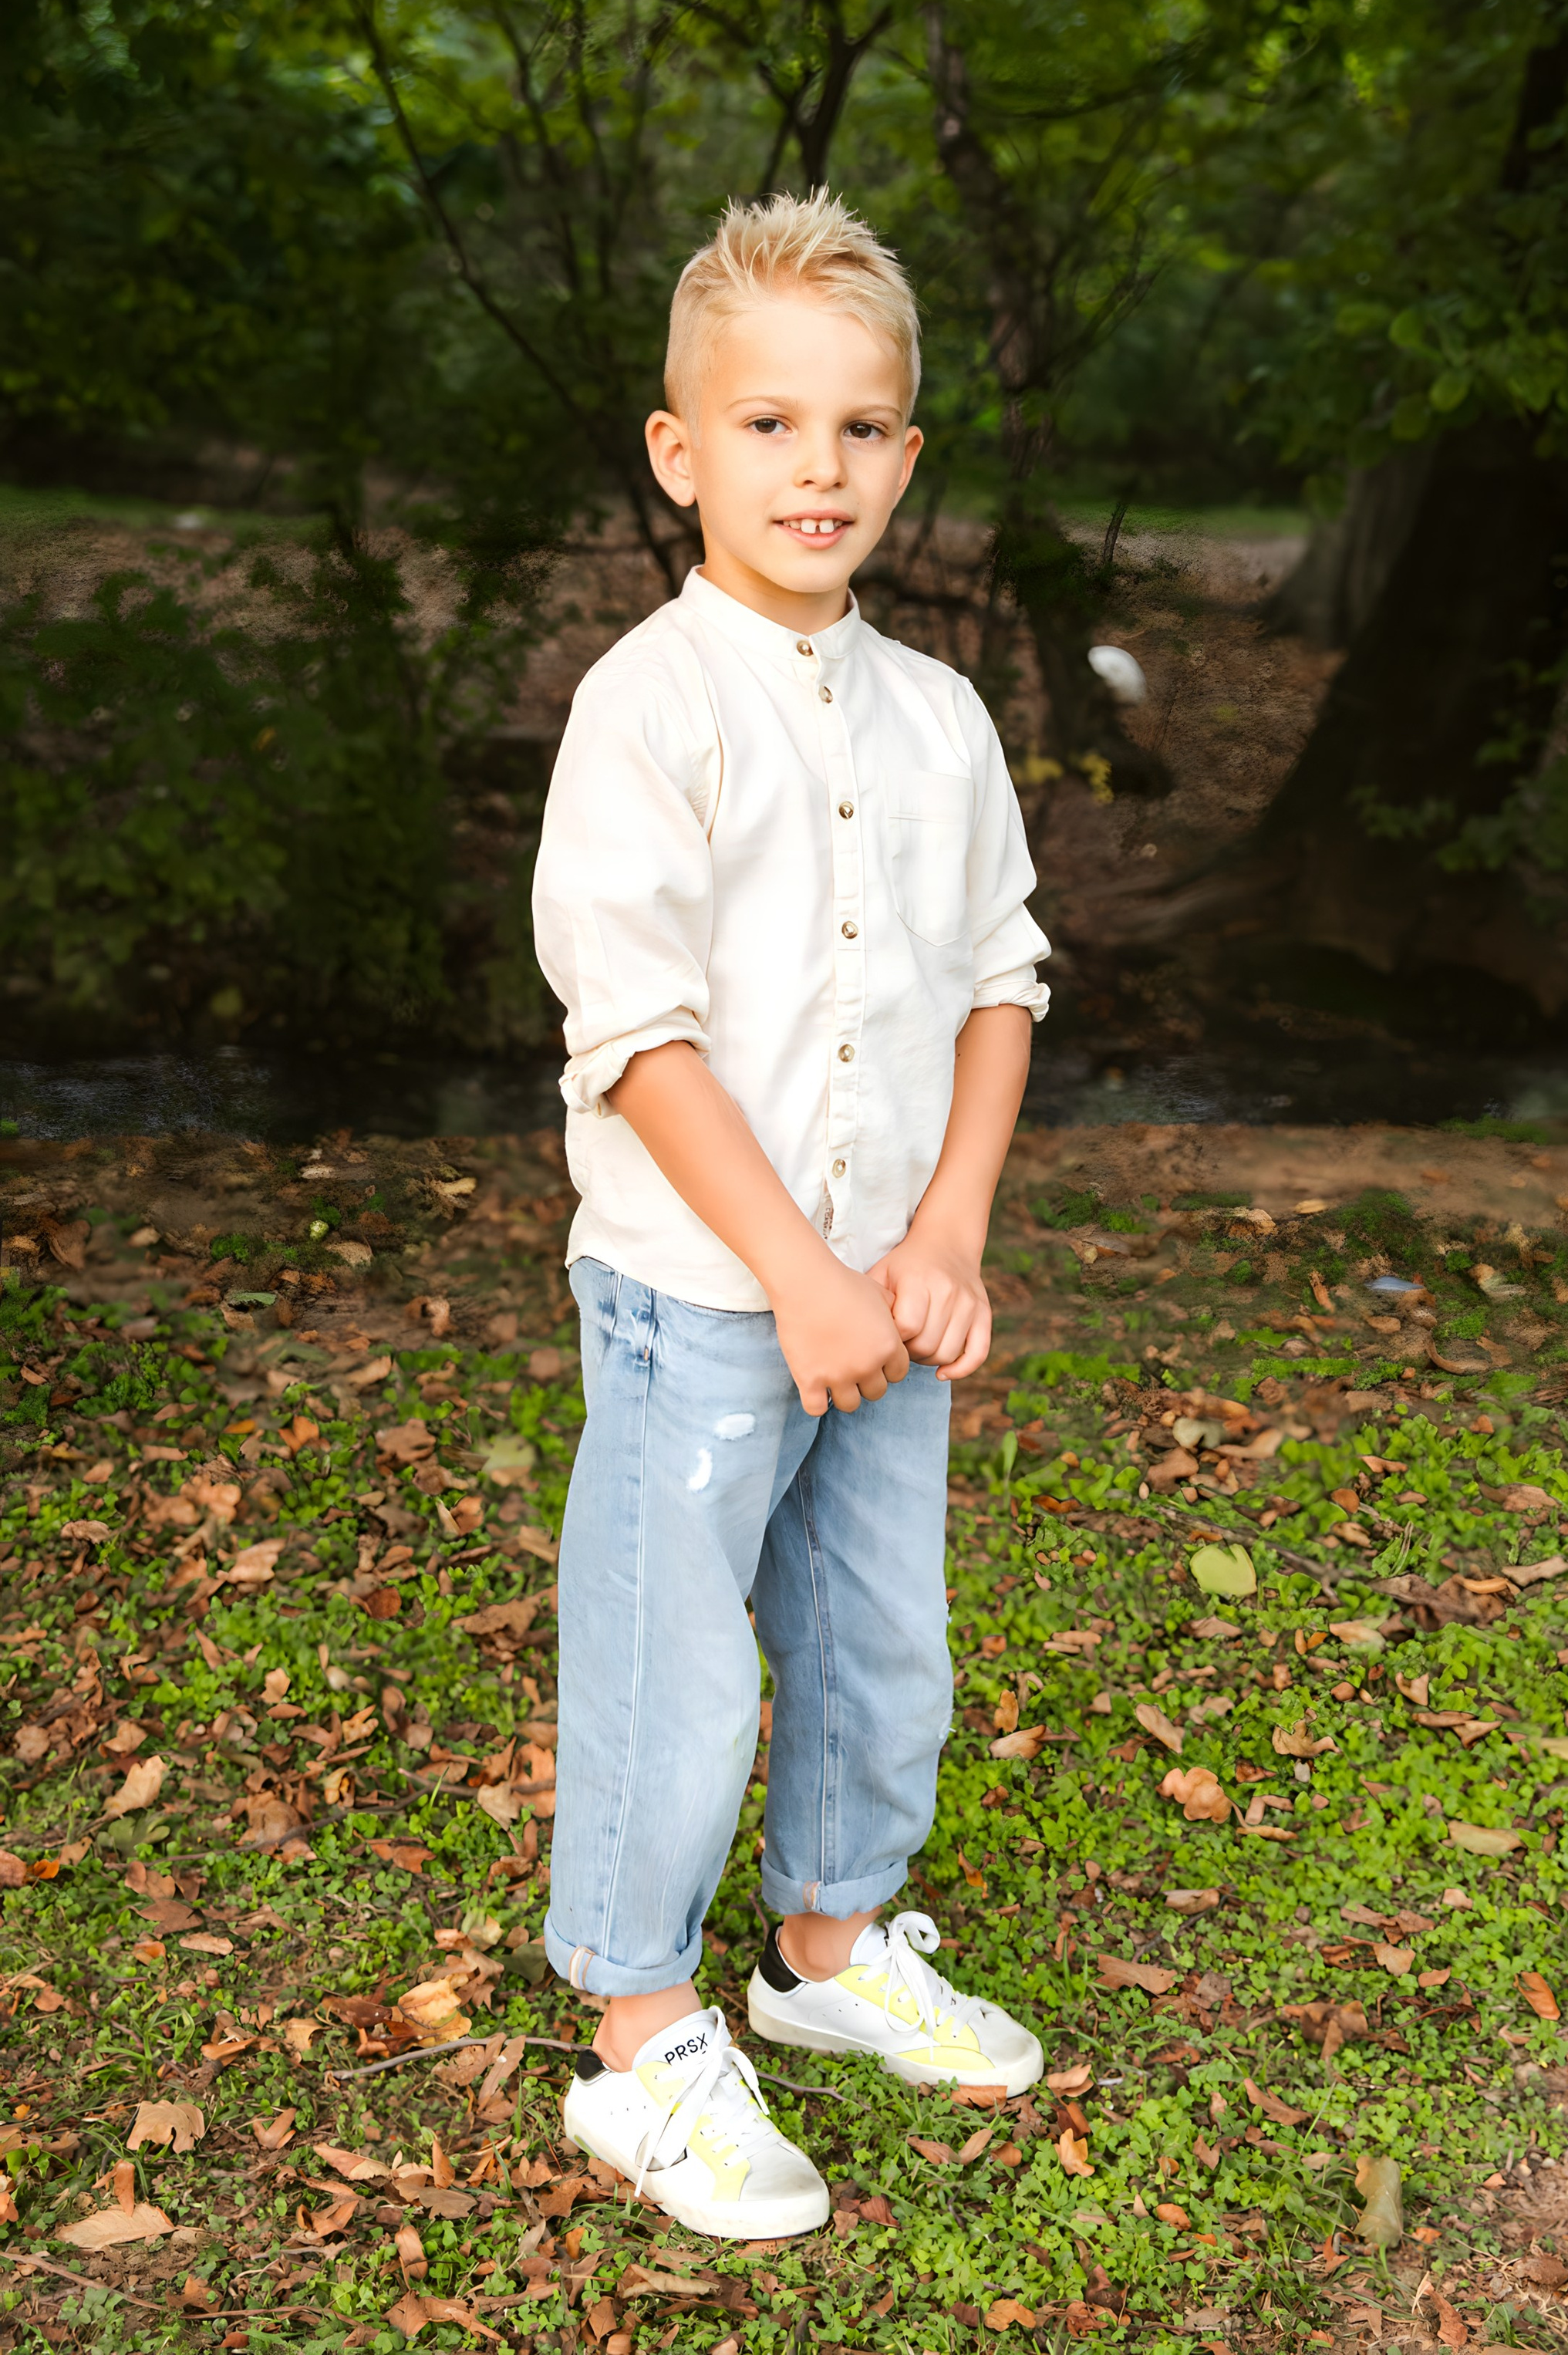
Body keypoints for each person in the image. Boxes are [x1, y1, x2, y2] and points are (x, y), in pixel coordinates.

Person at [531, 190, 1052, 2239]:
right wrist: (795, 1272)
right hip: (703, 1295)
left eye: (856, 428)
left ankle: (829, 1949)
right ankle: (644, 2036)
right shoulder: (648, 709)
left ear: (907, 457)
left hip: (889, 1299)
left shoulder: (940, 719)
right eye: (766, 425)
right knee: (681, 1665)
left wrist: (941, 1238)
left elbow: (1001, 981)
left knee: (876, 1637)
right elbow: (639, 1036)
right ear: (681, 453)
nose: (813, 465)